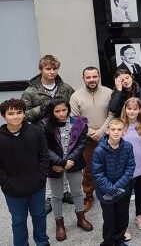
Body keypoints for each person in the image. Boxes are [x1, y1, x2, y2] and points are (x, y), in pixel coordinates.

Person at [0, 99, 49, 246]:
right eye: (11, 113)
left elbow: (44, 156)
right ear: (3, 116)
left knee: (39, 216)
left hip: (37, 186)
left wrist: (41, 178)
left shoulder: (36, 131)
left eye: (19, 113)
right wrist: (7, 184)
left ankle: (42, 242)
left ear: (24, 114)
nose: (15, 116)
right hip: (12, 190)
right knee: (19, 220)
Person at [43, 98, 93, 241]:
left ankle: (81, 218)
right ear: (52, 112)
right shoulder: (45, 125)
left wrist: (69, 161)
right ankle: (59, 224)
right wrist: (60, 162)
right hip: (55, 165)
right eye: (57, 111)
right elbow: (45, 147)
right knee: (56, 195)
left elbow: (81, 144)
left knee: (77, 192)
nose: (61, 114)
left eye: (64, 110)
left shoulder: (79, 123)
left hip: (74, 163)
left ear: (69, 110)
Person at [70, 66, 114, 213]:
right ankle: (89, 196)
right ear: (83, 79)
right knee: (88, 170)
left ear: (99, 76)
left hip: (107, 136)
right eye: (88, 77)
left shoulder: (109, 93)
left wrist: (101, 132)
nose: (92, 80)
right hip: (87, 139)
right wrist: (90, 132)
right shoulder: (76, 96)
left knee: (108, 168)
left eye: (94, 76)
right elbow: (75, 119)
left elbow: (112, 114)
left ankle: (109, 192)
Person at [92, 118, 134, 246]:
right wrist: (110, 188)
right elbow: (97, 173)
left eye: (119, 129)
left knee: (122, 217)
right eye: (113, 129)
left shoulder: (127, 147)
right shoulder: (99, 150)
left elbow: (130, 167)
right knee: (109, 219)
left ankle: (119, 239)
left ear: (124, 131)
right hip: (106, 191)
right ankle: (108, 242)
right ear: (107, 131)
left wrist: (118, 186)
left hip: (123, 189)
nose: (116, 132)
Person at [120, 97, 141, 234]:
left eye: (135, 109)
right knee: (124, 196)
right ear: (125, 110)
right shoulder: (120, 126)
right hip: (125, 169)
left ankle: (139, 215)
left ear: (140, 110)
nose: (132, 112)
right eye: (129, 109)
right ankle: (123, 224)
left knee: (140, 192)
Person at [21, 54, 75, 124]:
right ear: (41, 70)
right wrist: (41, 109)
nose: (52, 72)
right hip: (42, 131)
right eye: (48, 69)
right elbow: (22, 116)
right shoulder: (30, 92)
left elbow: (75, 109)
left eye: (55, 69)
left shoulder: (66, 88)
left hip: (65, 130)